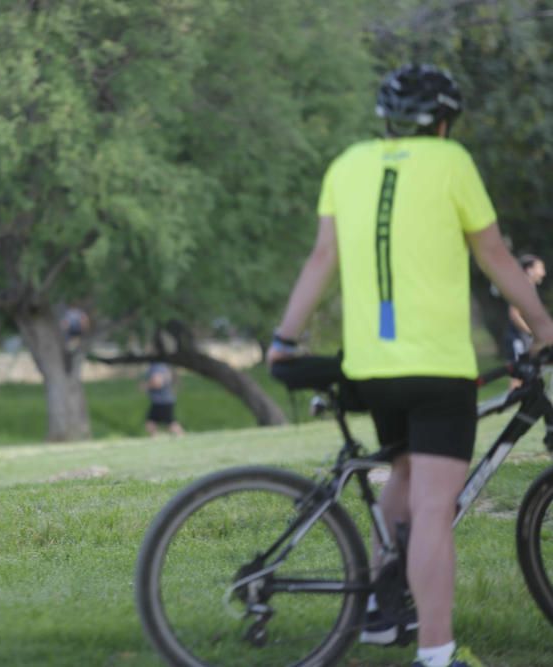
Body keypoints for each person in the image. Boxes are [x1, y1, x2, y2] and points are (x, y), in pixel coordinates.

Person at [266, 64, 553, 667]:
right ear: (446, 122)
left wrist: (284, 337)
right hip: (437, 368)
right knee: (432, 511)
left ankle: (379, 614)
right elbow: (496, 254)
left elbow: (323, 258)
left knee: (402, 472)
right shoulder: (453, 165)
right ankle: (437, 653)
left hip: (371, 366)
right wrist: (544, 324)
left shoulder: (346, 165)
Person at [504, 254, 546, 362]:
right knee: (519, 376)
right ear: (529, 270)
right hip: (518, 339)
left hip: (526, 340)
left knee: (530, 374)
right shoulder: (523, 288)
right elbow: (514, 314)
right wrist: (532, 333)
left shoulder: (530, 288)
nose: (543, 273)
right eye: (540, 268)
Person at [142, 362, 184, 437]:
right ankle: (155, 438)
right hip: (161, 400)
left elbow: (158, 382)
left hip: (162, 401)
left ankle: (181, 435)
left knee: (170, 422)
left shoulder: (157, 366)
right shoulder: (163, 365)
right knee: (151, 422)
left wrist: (146, 386)